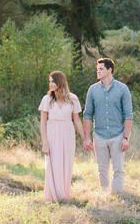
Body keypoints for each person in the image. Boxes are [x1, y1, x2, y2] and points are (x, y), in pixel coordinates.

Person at [82, 58, 133, 194]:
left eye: (101, 69)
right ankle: (105, 195)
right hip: (99, 135)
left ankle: (117, 195)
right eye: (97, 69)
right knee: (102, 169)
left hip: (118, 135)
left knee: (118, 169)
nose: (97, 71)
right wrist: (87, 138)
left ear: (109, 70)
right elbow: (87, 115)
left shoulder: (122, 89)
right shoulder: (92, 90)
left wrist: (126, 138)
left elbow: (128, 115)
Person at [39, 71, 87, 202]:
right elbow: (42, 122)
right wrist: (45, 143)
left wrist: (85, 139)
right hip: (52, 132)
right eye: (49, 81)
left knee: (66, 163)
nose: (51, 84)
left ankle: (64, 196)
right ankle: (51, 196)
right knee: (53, 163)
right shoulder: (47, 99)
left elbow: (76, 120)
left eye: (53, 81)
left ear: (60, 82)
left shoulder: (73, 99)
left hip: (67, 132)